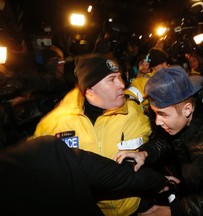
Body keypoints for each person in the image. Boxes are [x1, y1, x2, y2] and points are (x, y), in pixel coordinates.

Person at [115, 66, 203, 216]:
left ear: (187, 109)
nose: (157, 122)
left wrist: (174, 211)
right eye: (155, 113)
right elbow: (167, 142)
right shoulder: (182, 123)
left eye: (163, 114)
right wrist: (145, 153)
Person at [30, 54, 154, 216]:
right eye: (111, 79)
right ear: (89, 90)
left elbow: (156, 144)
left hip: (135, 208)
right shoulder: (53, 125)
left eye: (120, 77)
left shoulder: (134, 112)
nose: (122, 84)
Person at [0, 135, 179, 214]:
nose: (121, 84)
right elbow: (117, 176)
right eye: (111, 79)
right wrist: (160, 182)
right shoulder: (44, 151)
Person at [125, 47, 169, 112]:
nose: (166, 67)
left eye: (166, 63)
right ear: (155, 66)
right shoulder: (148, 81)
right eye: (162, 63)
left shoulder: (159, 79)